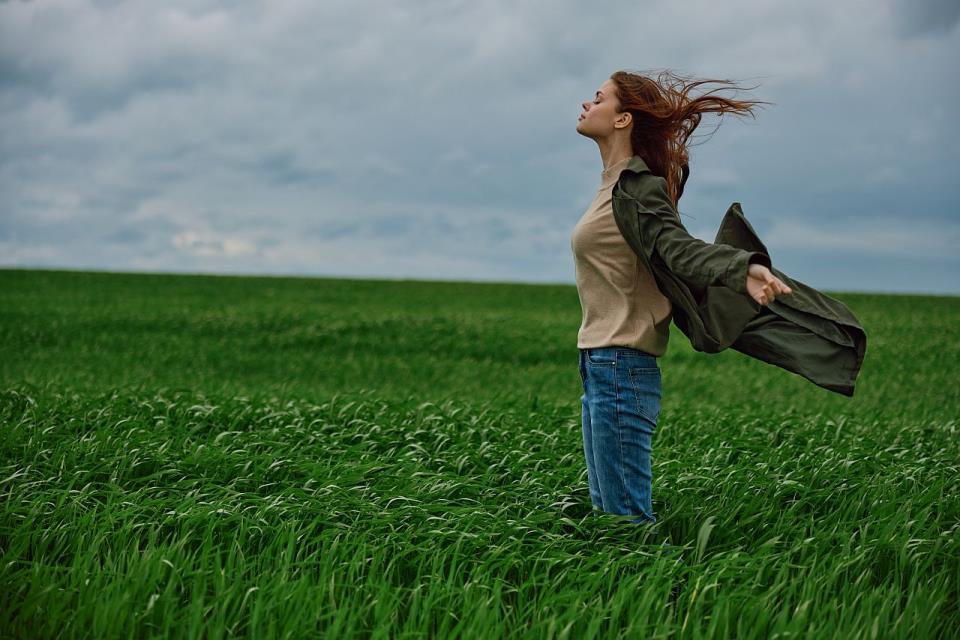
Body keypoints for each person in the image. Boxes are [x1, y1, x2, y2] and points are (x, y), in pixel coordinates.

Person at [570, 70, 792, 524]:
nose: (587, 103)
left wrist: (741, 267)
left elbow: (678, 247)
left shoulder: (639, 187)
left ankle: (664, 592)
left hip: (621, 367)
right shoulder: (612, 185)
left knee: (625, 521)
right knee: (607, 518)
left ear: (622, 119)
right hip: (598, 365)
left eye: (598, 98)